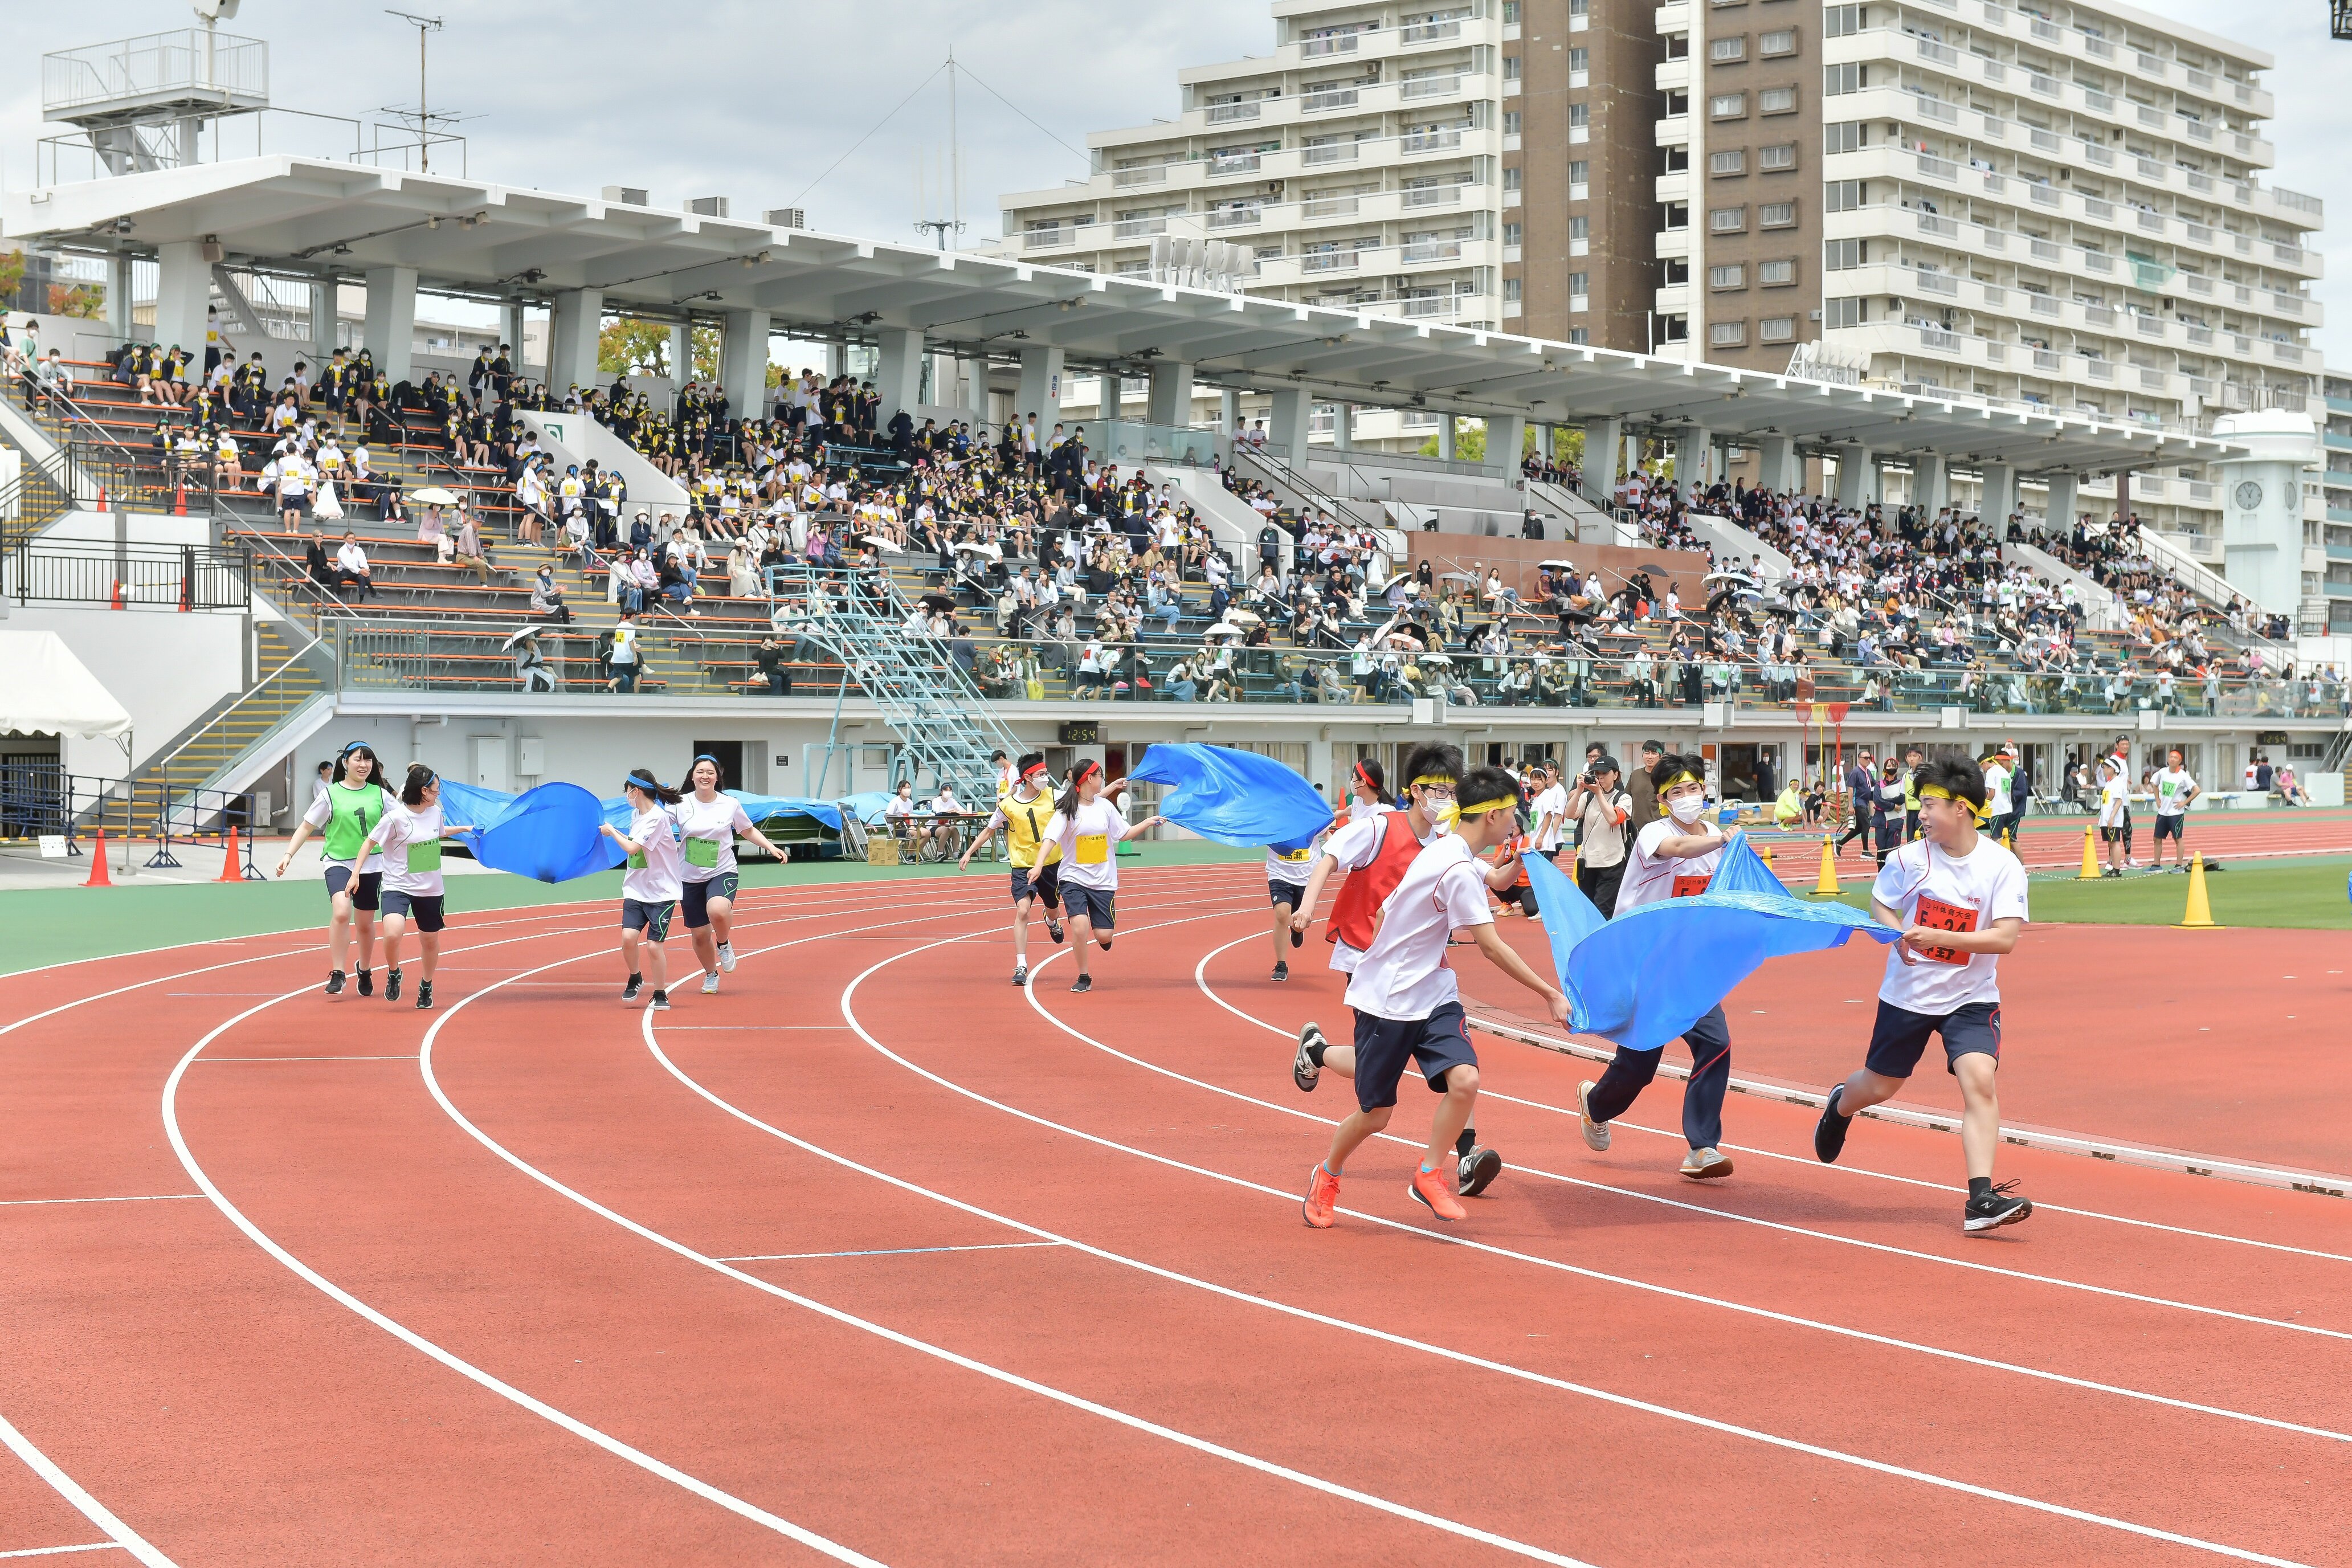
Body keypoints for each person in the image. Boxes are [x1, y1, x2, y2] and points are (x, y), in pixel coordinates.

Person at [1296, 766, 1571, 1228]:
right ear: (1494, 815)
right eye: (1513, 816)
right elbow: (1490, 946)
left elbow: (1498, 882)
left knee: (1465, 1081)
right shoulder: (1456, 866)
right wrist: (1549, 993)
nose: (1515, 822)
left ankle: (1429, 1174)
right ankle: (1327, 1172)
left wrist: (1525, 859)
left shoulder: (1447, 845)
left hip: (1435, 993)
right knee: (1375, 1114)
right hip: (1389, 999)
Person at [1813, 756, 2032, 1234]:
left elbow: (2004, 939)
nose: (1923, 814)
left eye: (1930, 805)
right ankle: (1840, 1105)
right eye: (1921, 804)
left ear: (1963, 809)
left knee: (1980, 1080)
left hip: (1972, 997)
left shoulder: (2002, 866)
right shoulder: (1908, 859)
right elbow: (1881, 905)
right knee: (1880, 1086)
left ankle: (1980, 1200)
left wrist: (1938, 938)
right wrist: (1897, 937)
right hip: (1908, 997)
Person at [1288, 744, 1515, 1199]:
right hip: (1369, 961)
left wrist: (1517, 868)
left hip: (1425, 969)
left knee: (1460, 1070)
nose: (1448, 801)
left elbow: (1492, 879)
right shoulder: (1378, 827)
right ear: (1416, 791)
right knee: (1376, 1069)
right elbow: (1330, 858)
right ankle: (1316, 1052)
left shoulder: (1449, 842)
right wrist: (1307, 907)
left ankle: (1465, 1155)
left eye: (1454, 792)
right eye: (1439, 791)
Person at [1574, 753, 1737, 1180]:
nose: (1687, 798)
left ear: (1706, 790)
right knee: (1640, 1065)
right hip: (1643, 964)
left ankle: (1702, 1148)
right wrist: (1723, 841)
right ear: (1664, 801)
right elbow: (1680, 849)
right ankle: (1596, 1105)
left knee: (1715, 1045)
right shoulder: (1654, 833)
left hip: (1689, 968)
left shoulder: (1716, 839)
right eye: (1676, 793)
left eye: (1693, 789)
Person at [273, 741, 390, 998]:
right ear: (345, 762)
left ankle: (366, 968)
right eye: (358, 760)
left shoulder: (380, 795)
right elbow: (306, 826)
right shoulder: (330, 794)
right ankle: (338, 972)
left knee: (365, 923)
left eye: (368, 760)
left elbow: (404, 822)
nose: (364, 765)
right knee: (341, 911)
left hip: (371, 864)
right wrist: (288, 854)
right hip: (338, 861)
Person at [1039, 760, 1165, 993]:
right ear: (1089, 779)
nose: (1102, 779)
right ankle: (1084, 976)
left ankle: (1104, 935)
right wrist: (1038, 866)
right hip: (1073, 877)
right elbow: (1050, 839)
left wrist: (1147, 821)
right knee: (1079, 927)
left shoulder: (1105, 807)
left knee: (1104, 937)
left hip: (1103, 880)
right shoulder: (1066, 810)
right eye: (1100, 775)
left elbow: (1124, 834)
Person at [357, 763, 473, 1010]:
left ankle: (426, 985)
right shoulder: (395, 818)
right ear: (423, 791)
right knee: (393, 933)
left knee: (429, 941)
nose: (438, 795)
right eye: (435, 791)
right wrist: (354, 875)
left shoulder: (435, 813)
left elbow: (438, 832)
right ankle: (393, 972)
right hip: (397, 886)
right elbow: (369, 843)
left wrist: (463, 829)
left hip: (430, 889)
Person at [675, 754, 787, 994]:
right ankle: (710, 974)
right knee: (700, 935)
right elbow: (659, 829)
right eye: (700, 772)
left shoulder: (730, 804)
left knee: (717, 909)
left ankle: (724, 943)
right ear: (692, 776)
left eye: (710, 773)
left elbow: (747, 830)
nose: (705, 776)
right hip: (689, 876)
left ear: (717, 777)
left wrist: (771, 847)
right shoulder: (679, 803)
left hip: (722, 870)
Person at [959, 752, 1065, 986]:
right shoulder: (1008, 805)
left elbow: (1087, 799)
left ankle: (1051, 921)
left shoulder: (1055, 796)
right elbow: (989, 829)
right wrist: (968, 852)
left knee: (1054, 909)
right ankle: (1021, 965)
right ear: (1028, 778)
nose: (1045, 778)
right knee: (1023, 911)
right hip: (1023, 866)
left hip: (1051, 864)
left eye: (1046, 773)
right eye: (1041, 774)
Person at [599, 767, 687, 1010]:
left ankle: (660, 993)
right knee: (628, 939)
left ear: (635, 791)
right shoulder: (637, 814)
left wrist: (612, 832)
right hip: (636, 889)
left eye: (627, 790)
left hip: (662, 892)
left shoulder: (657, 818)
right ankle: (636, 976)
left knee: (653, 946)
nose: (626, 795)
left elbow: (632, 849)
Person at [1565, 754, 1631, 917]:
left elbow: (1613, 819)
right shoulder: (1587, 797)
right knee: (1588, 909)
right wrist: (1580, 789)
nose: (1600, 778)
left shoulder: (1623, 797)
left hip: (1612, 862)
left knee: (1603, 910)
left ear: (1615, 775)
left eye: (1604, 774)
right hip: (1588, 862)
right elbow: (1569, 814)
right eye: (1597, 774)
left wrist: (1599, 794)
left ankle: (1603, 941)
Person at [1264, 815, 1326, 982]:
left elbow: (1327, 834)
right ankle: (1281, 965)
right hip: (1279, 873)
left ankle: (1297, 931)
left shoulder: (1312, 813)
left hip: (1308, 876)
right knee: (1282, 913)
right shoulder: (1273, 816)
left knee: (1300, 921)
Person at [2150, 748, 2199, 869]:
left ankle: (2179, 865)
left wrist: (2185, 802)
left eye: (2175, 758)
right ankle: (2156, 865)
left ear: (2179, 761)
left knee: (2178, 839)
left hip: (2176, 813)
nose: (2172, 759)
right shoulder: (2162, 772)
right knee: (2157, 839)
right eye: (2170, 757)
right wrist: (2157, 799)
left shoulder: (2183, 775)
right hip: (2163, 812)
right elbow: (2154, 783)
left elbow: (2197, 790)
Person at [2095, 752, 2132, 876]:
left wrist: (2111, 818)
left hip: (2113, 820)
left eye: (2105, 768)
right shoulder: (2110, 783)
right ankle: (2114, 869)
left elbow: (2119, 801)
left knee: (2115, 843)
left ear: (2111, 769)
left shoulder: (2117, 782)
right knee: (2111, 843)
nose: (2104, 770)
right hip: (2106, 819)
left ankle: (2117, 869)